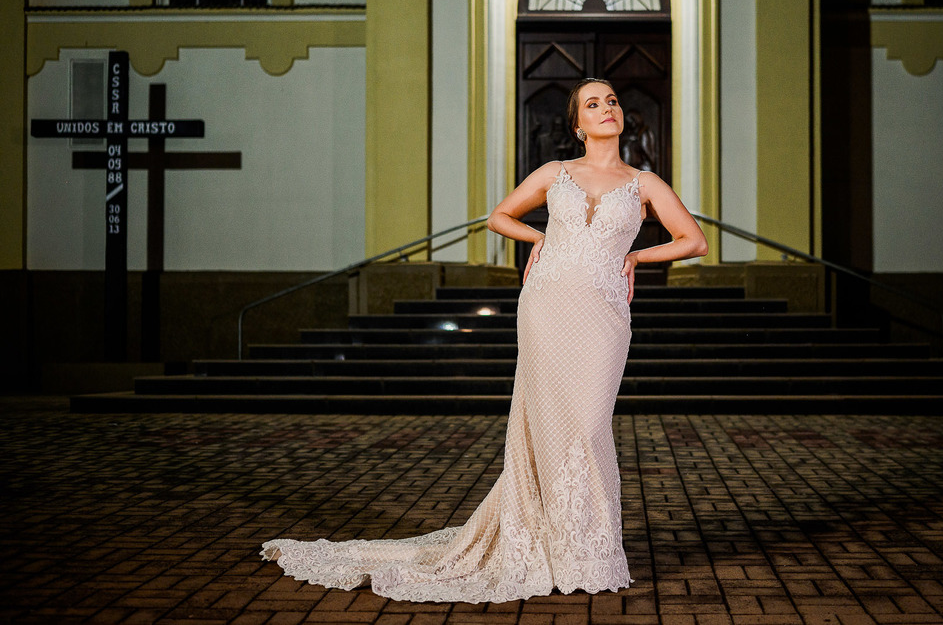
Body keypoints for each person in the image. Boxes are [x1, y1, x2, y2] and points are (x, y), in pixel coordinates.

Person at [260, 78, 707, 603]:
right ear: (577, 124)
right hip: (545, 306)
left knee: (588, 424)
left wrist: (634, 256)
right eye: (593, 104)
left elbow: (693, 240)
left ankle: (588, 549)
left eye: (611, 101)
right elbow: (499, 216)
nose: (606, 108)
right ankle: (559, 547)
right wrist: (540, 238)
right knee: (550, 426)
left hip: (603, 313)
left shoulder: (644, 183)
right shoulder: (553, 173)